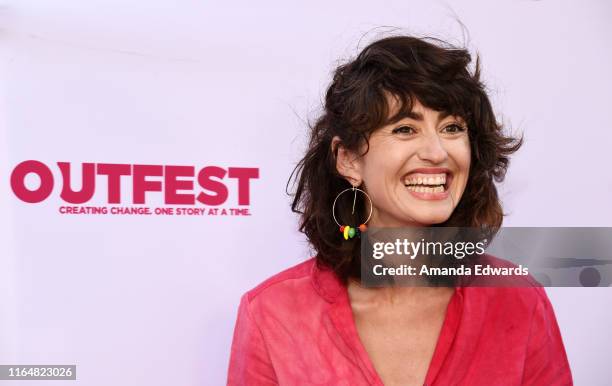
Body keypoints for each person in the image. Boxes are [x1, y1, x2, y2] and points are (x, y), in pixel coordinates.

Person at [226, 35, 573, 385]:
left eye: (452, 127)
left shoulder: (516, 299)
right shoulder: (273, 313)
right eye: (405, 129)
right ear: (348, 160)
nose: (437, 152)